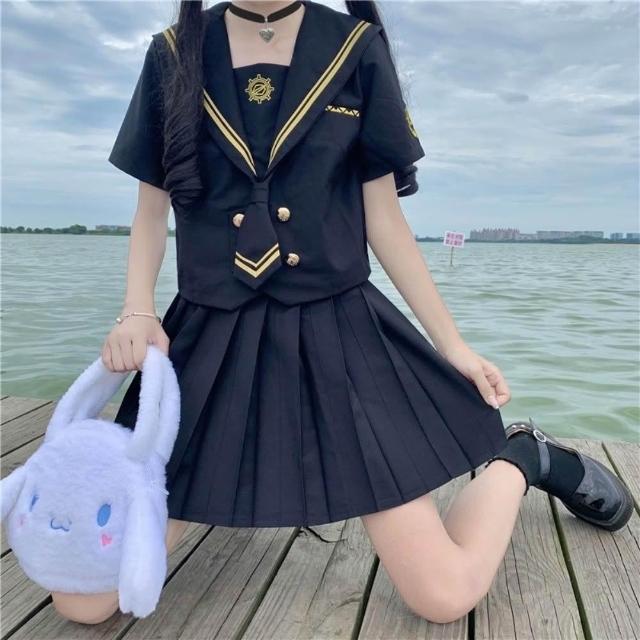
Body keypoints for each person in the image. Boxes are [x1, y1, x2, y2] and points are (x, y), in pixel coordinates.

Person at [51, 0, 633, 626]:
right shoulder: (172, 54)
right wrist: (136, 311)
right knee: (85, 600)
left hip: (336, 338)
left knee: (443, 597)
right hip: (208, 340)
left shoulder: (355, 47)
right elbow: (151, 209)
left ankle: (522, 458)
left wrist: (453, 345)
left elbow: (385, 220)